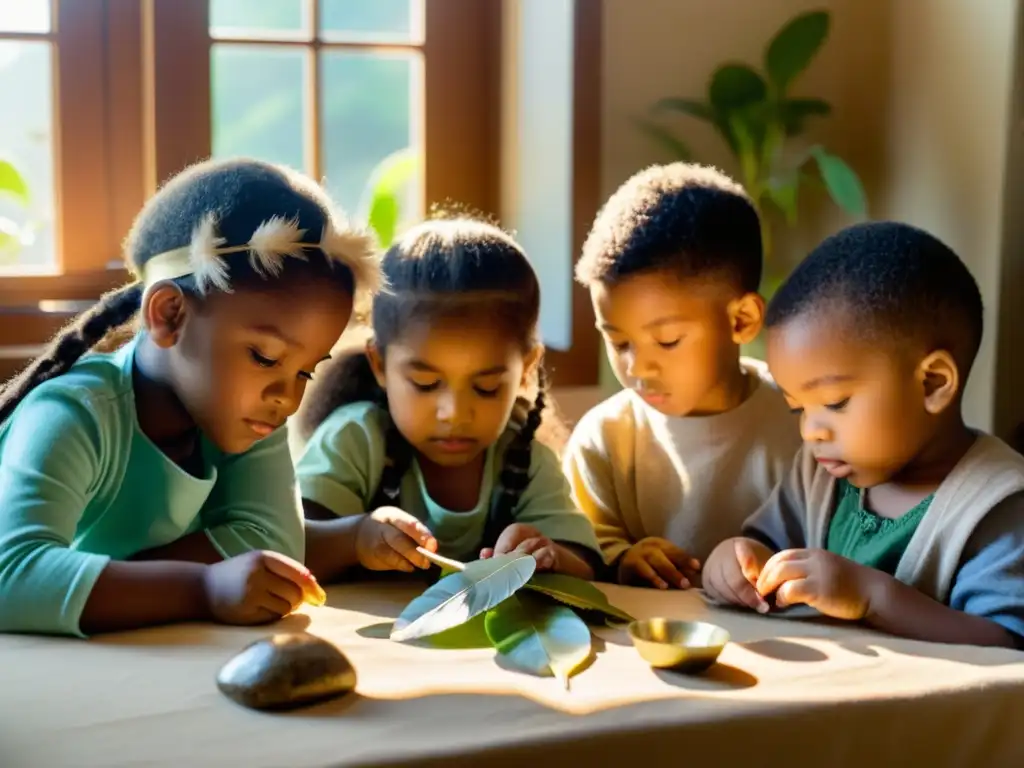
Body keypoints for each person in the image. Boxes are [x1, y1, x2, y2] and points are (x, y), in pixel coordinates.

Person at [0, 158, 380, 637]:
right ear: (170, 314)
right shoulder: (72, 413)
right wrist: (200, 588)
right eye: (264, 357)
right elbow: (9, 575)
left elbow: (276, 544)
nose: (287, 396)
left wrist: (107, 575)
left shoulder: (247, 415)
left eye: (306, 369)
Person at [703, 221, 1024, 648]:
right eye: (798, 407)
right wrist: (735, 560)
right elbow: (765, 547)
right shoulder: (817, 477)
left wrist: (871, 597)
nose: (811, 431)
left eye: (835, 403)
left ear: (932, 384)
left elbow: (1008, 646)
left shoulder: (997, 505)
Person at [295, 217, 602, 583]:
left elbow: (586, 562)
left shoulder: (523, 459)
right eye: (425, 384)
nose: (454, 413)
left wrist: (549, 555)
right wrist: (358, 536)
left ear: (525, 369)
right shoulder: (356, 440)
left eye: (486, 387)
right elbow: (290, 544)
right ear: (379, 364)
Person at [564, 162, 800, 589]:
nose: (637, 368)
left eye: (668, 341)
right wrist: (622, 560)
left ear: (742, 320)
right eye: (618, 342)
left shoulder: (801, 424)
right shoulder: (603, 439)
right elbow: (581, 548)